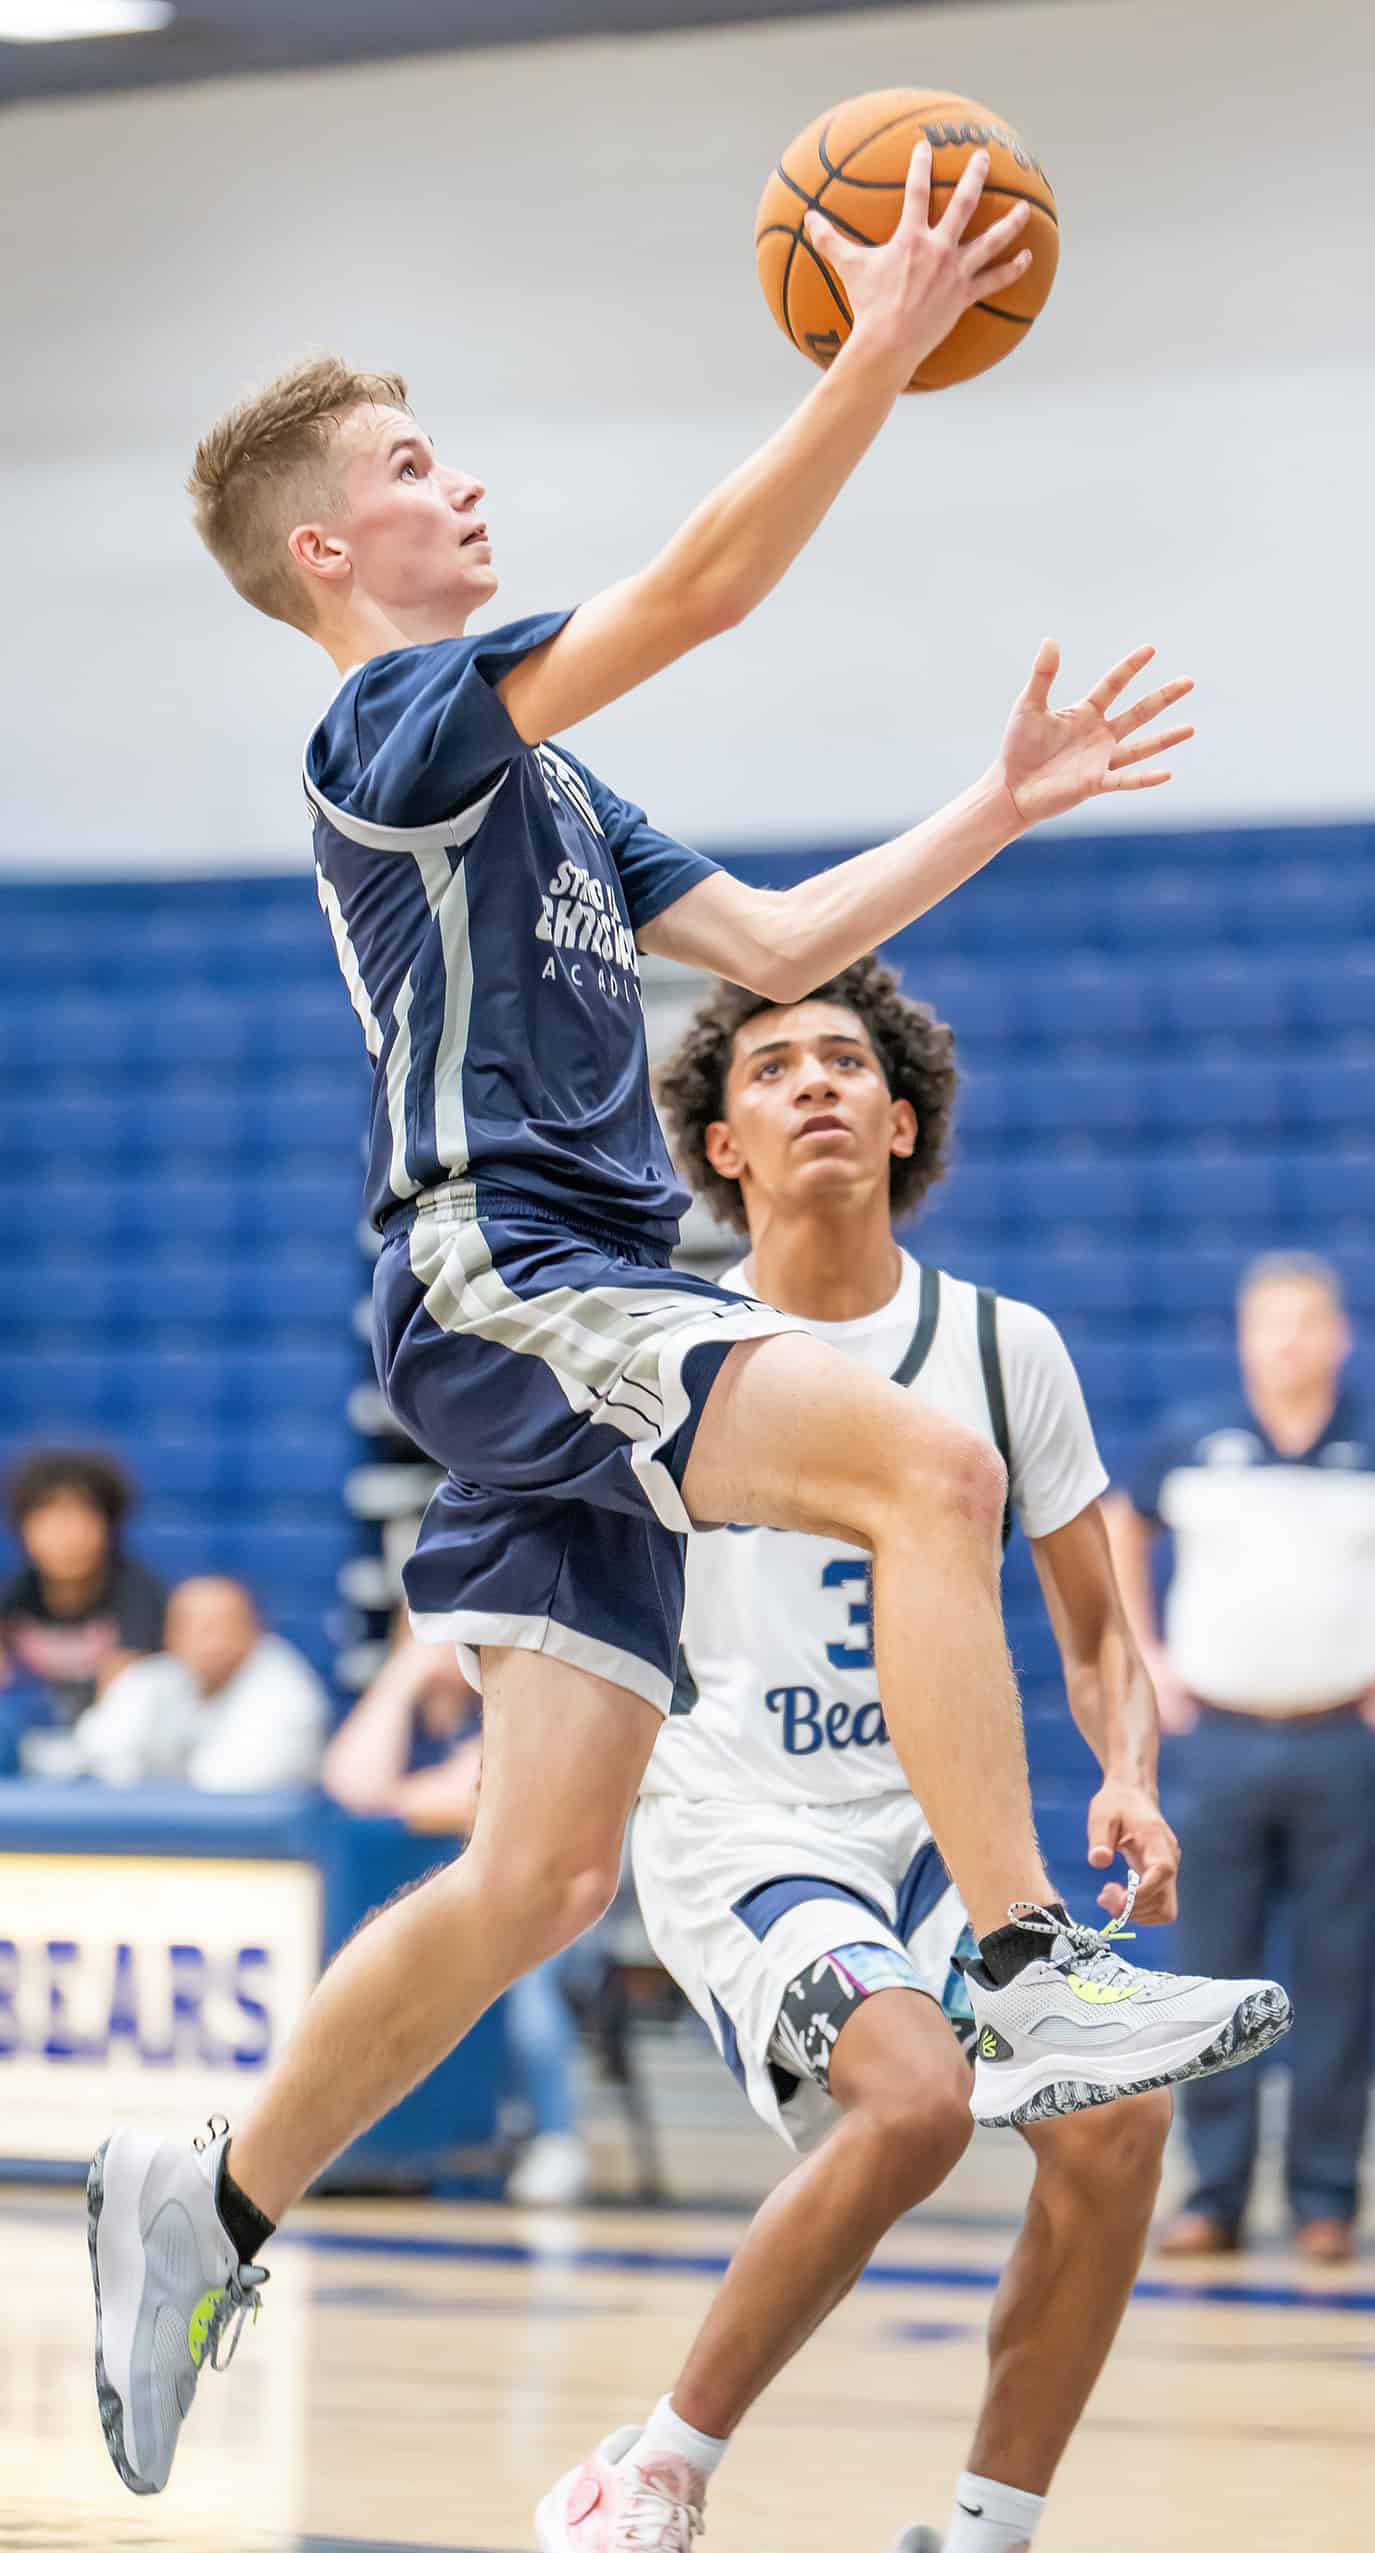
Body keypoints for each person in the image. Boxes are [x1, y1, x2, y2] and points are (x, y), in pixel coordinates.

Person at [87, 144, 1272, 2507]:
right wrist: (878, 345)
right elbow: (712, 580)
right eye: (417, 467)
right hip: (511, 1273)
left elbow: (781, 935)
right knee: (924, 1463)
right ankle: (1029, 1952)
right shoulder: (403, 726)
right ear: (332, 552)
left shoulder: (545, 775)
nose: (464, 482)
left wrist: (994, 805)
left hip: (569, 1310)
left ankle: (198, 2200)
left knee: (532, 1876)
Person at [536, 959, 1188, 2553]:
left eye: (844, 1061)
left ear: (901, 1123)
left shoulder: (998, 1343)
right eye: (771, 1069)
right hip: (743, 1820)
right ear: (720, 1146)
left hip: (931, 1830)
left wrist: (1126, 1774)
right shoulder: (658, 1348)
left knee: (1114, 2122)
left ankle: (983, 2530)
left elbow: (1098, 1633)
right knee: (908, 2099)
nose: (814, 1081)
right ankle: (654, 2468)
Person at [1107, 1253, 1375, 2267]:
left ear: (1336, 1336)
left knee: (1341, 1982)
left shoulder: (1366, 1436)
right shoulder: (1191, 1439)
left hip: (1340, 1744)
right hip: (1215, 1743)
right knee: (1216, 1975)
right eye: (1271, 1325)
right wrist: (1150, 1656)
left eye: (1308, 1324)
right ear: (1245, 1338)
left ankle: (1323, 2201)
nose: (1290, 1343)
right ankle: (1212, 2195)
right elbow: (1117, 1524)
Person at [322, 1624, 591, 2204]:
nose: (434, 1646)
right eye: (418, 1633)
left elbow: (471, 1800)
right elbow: (348, 1785)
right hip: (441, 1909)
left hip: (552, 1907)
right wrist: (400, 1680)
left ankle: (555, 2136)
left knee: (524, 1978)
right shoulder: (400, 1720)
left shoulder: (515, 1706)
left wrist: (399, 1801)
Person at [69, 1576, 330, 1791]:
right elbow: (94, 1749)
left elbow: (228, 1787)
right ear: (169, 1636)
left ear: (256, 1630)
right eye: (194, 1626)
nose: (211, 1640)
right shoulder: (158, 1677)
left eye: (225, 1625)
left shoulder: (286, 1692)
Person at [0, 1448, 166, 1769]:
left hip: (124, 1756)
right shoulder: (13, 1595)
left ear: (108, 1527)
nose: (66, 1537)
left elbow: (128, 1699)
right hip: (37, 1746)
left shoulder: (138, 1594)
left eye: (80, 1520)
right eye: (51, 1522)